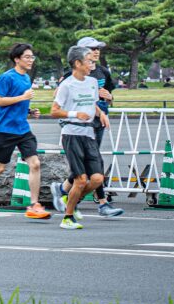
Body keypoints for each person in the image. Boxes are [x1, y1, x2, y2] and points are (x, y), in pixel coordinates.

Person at [0, 43, 51, 221]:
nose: (31, 60)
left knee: (35, 163)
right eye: (27, 57)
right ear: (17, 59)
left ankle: (34, 205)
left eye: (32, 57)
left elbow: (19, 104)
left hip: (22, 129)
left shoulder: (26, 78)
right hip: (4, 130)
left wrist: (30, 111)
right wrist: (23, 98)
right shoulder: (7, 77)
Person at [51, 37, 123, 218]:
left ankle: (64, 192)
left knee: (94, 170)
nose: (96, 52)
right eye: (92, 49)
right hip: (74, 128)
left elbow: (102, 97)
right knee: (84, 173)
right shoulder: (69, 78)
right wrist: (74, 114)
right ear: (79, 56)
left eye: (98, 49)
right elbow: (58, 102)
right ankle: (100, 203)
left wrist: (104, 108)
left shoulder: (100, 74)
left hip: (93, 125)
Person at [50, 46, 107, 230]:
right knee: (81, 180)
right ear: (77, 63)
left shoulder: (91, 82)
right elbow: (54, 111)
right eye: (89, 60)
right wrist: (75, 114)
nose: (93, 64)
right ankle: (67, 217)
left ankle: (72, 198)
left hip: (89, 134)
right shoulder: (67, 85)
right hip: (72, 134)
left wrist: (100, 113)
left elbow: (92, 103)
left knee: (97, 179)